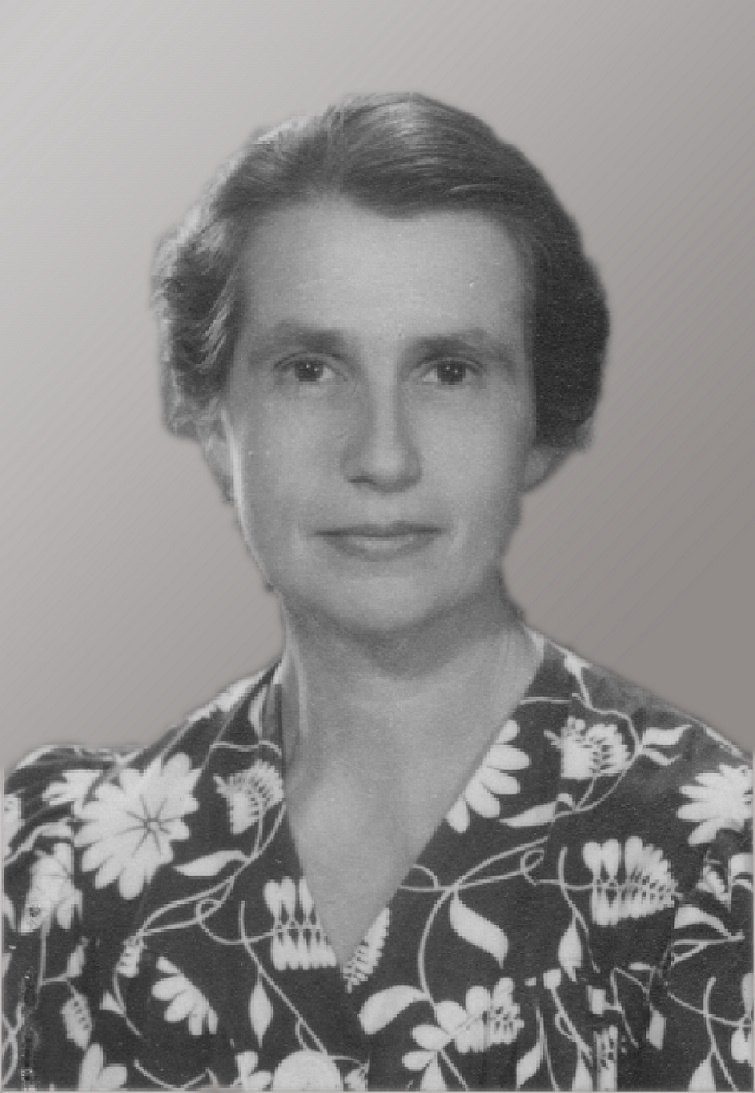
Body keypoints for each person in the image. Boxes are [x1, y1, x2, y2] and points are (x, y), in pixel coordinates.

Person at [2, 93, 751, 1092]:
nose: (383, 455)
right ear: (209, 410)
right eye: (310, 369)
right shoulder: (58, 867)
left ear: (540, 420)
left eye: (450, 370)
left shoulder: (713, 861)